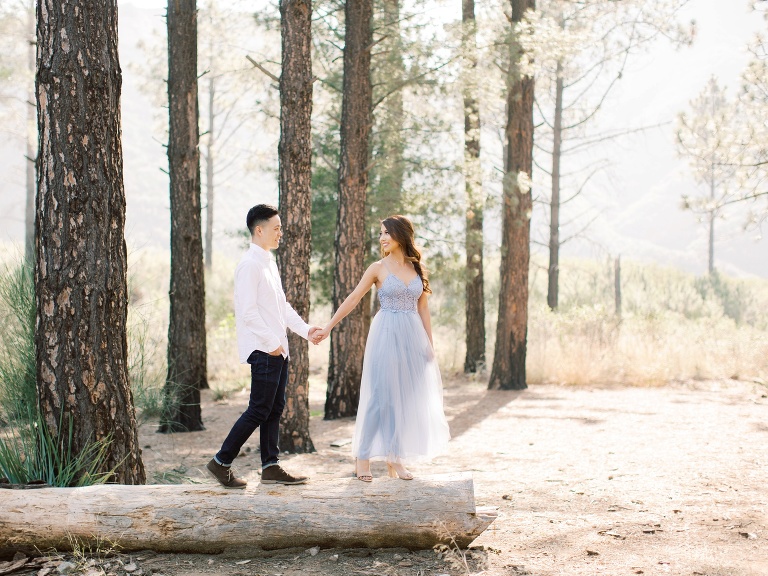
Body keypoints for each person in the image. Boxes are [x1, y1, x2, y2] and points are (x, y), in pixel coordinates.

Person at [315, 215, 450, 481]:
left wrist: (429, 345)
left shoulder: (417, 268)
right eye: (380, 233)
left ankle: (394, 458)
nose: (382, 238)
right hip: (386, 334)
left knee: (405, 398)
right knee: (380, 397)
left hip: (412, 338)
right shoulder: (377, 268)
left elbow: (423, 308)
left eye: (386, 232)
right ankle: (362, 459)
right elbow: (354, 298)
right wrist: (329, 327)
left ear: (401, 234)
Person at [206, 204, 322, 489]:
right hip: (264, 349)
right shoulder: (249, 265)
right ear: (259, 230)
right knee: (258, 409)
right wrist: (271, 345)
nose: (280, 232)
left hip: (278, 349)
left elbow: (281, 307)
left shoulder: (269, 262)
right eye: (276, 228)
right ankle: (221, 462)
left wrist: (306, 331)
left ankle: (270, 466)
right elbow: (247, 312)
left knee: (274, 408)